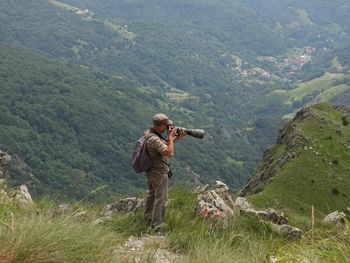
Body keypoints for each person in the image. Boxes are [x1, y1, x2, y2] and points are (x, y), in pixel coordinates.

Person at [143, 113, 186, 230]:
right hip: (159, 173)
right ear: (159, 126)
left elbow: (164, 145)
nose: (167, 128)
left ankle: (148, 217)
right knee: (161, 199)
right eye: (166, 126)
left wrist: (176, 138)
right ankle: (157, 225)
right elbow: (169, 153)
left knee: (152, 195)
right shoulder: (153, 139)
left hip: (151, 171)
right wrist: (171, 137)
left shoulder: (150, 133)